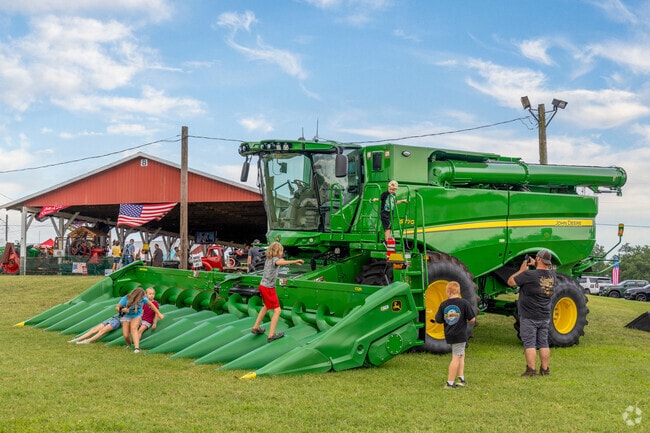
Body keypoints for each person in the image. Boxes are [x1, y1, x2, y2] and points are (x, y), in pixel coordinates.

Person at [507, 249, 556, 377]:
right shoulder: (553, 276)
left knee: (530, 343)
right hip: (544, 315)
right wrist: (535, 264)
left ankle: (531, 370)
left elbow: (511, 282)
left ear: (539, 259)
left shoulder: (529, 275)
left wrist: (522, 270)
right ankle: (545, 370)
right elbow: (542, 271)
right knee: (543, 343)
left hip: (529, 316)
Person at [250, 241, 304, 342]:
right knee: (277, 310)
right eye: (281, 251)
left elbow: (280, 261)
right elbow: (280, 262)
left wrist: (283, 260)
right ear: (277, 251)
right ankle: (271, 335)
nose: (282, 253)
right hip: (269, 288)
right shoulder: (275, 260)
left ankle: (256, 327)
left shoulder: (268, 259)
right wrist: (295, 261)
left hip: (263, 286)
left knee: (266, 306)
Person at [434, 281, 476, 389]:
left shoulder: (444, 304)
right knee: (456, 357)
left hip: (449, 334)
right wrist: (468, 322)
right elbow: (472, 319)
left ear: (448, 292)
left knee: (461, 355)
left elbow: (438, 320)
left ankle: (461, 378)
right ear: (458, 291)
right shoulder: (464, 303)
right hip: (460, 334)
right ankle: (450, 383)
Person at [117, 287, 164, 353]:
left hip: (136, 315)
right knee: (126, 335)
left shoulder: (143, 299)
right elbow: (117, 307)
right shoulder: (126, 298)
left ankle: (137, 348)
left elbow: (151, 305)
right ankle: (129, 345)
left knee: (134, 329)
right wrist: (122, 309)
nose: (142, 299)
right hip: (126, 316)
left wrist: (159, 314)